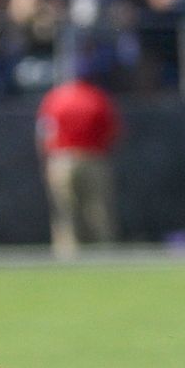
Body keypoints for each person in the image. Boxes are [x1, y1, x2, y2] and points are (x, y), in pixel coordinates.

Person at [37, 67, 117, 256]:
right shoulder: (97, 97)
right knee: (98, 211)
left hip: (62, 159)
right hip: (93, 158)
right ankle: (105, 254)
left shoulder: (56, 98)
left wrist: (48, 159)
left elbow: (45, 132)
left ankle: (67, 255)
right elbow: (112, 131)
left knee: (65, 212)